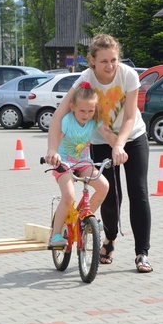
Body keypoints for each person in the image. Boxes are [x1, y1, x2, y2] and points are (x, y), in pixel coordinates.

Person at [45, 34, 153, 273]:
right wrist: (52, 149)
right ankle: (108, 239)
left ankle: (141, 253)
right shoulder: (86, 78)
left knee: (139, 191)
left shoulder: (128, 75)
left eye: (114, 60)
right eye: (103, 61)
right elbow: (59, 116)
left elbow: (129, 116)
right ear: (92, 61)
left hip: (132, 137)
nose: (110, 66)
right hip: (100, 139)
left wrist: (120, 145)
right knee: (111, 194)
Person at [47, 81, 112, 249]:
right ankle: (55, 235)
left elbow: (109, 135)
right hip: (64, 163)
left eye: (91, 111)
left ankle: (85, 218)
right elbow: (57, 138)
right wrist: (53, 152)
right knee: (68, 195)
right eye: (82, 110)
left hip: (83, 163)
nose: (86, 115)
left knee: (104, 186)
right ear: (72, 107)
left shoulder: (93, 121)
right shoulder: (67, 120)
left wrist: (120, 147)